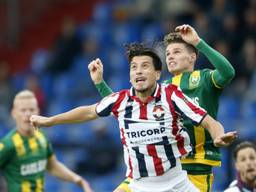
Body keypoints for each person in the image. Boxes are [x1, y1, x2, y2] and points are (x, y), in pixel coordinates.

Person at [30, 43, 237, 192]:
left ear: (157, 74)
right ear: (129, 75)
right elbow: (88, 111)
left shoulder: (171, 96)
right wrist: (49, 120)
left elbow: (209, 121)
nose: (138, 71)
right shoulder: (120, 101)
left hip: (176, 183)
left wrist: (218, 136)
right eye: (134, 67)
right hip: (137, 184)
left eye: (145, 66)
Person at [88, 24, 236, 192]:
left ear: (193, 57)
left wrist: (198, 42)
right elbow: (126, 110)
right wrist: (100, 83)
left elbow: (228, 72)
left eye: (177, 52)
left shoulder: (204, 79)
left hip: (196, 169)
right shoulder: (161, 87)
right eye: (167, 54)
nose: (170, 57)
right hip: (160, 170)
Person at [0, 90, 93, 192]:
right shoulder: (8, 144)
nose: (27, 114)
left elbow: (52, 166)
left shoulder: (42, 137)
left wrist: (78, 179)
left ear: (37, 112)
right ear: (13, 113)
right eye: (23, 110)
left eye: (31, 110)